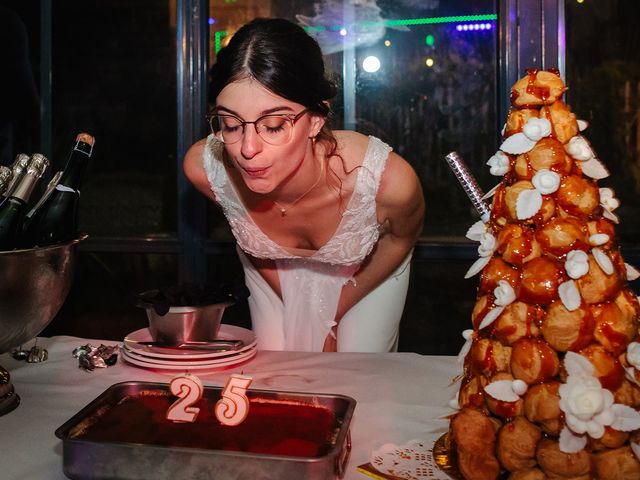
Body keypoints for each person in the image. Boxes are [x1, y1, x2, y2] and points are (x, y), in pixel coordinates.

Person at [184, 18, 425, 352]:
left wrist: (332, 313)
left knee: (361, 374)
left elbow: (401, 238)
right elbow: (253, 242)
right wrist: (306, 315)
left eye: (273, 126)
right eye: (230, 124)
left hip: (368, 270)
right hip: (272, 269)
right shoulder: (205, 169)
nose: (247, 149)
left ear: (316, 120)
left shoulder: (387, 181)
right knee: (277, 376)